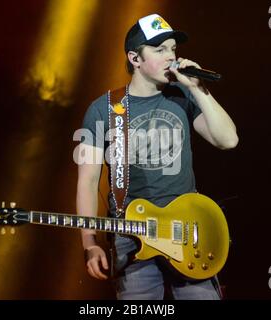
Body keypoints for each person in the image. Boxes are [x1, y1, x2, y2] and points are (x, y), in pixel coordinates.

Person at [76, 13, 238, 300]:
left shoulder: (182, 97)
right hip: (132, 238)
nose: (170, 56)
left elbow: (228, 140)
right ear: (135, 59)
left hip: (189, 232)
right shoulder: (103, 109)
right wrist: (90, 243)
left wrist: (197, 89)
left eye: (173, 49)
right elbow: (88, 182)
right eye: (160, 49)